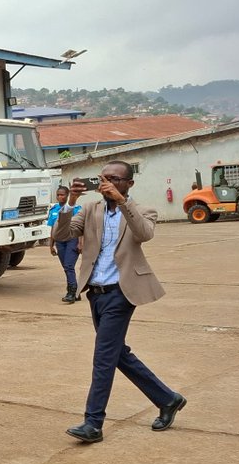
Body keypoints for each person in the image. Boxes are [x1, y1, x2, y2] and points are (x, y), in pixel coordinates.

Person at [53, 161, 186, 444]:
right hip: (95, 292)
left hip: (122, 293)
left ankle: (93, 423)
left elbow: (144, 234)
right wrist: (71, 202)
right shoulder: (90, 209)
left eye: (115, 179)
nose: (107, 183)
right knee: (116, 354)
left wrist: (123, 202)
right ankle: (168, 398)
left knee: (103, 357)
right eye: (104, 178)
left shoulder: (143, 210)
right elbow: (62, 235)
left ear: (129, 183)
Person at [46, 185, 83, 303]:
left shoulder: (76, 209)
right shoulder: (54, 210)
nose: (60, 197)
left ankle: (71, 292)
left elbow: (81, 227)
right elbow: (53, 228)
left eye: (62, 195)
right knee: (66, 267)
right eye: (58, 195)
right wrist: (51, 245)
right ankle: (76, 292)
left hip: (72, 239)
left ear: (68, 196)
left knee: (68, 265)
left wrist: (80, 243)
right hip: (60, 242)